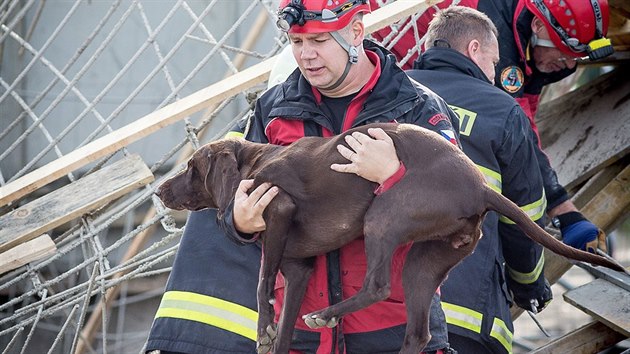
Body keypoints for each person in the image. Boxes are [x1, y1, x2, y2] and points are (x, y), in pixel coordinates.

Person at [146, 0, 460, 353]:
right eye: (297, 42)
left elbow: (456, 205)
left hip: (392, 329)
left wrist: (393, 176)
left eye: (320, 41)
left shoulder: (417, 106)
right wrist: (239, 221)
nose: (306, 55)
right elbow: (237, 204)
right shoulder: (273, 109)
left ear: (356, 31)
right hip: (300, 333)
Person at [370, 0, 609, 256]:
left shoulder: (527, 33)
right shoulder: (493, 40)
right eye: (563, 55)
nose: (569, 66)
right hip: (388, 58)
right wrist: (564, 211)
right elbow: (518, 136)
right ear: (538, 25)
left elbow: (525, 122)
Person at [404, 6, 555, 353]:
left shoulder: (390, 94)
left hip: (384, 318)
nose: (494, 73)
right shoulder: (502, 110)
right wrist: (530, 285)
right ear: (473, 50)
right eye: (493, 61)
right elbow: (525, 216)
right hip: (466, 318)